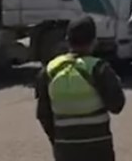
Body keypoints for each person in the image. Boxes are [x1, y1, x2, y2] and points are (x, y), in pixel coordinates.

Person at [35, 16, 125, 161]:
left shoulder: (49, 70)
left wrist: (57, 139)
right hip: (98, 145)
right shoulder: (99, 68)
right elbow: (117, 106)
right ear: (94, 41)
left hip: (65, 147)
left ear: (67, 40)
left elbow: (43, 114)